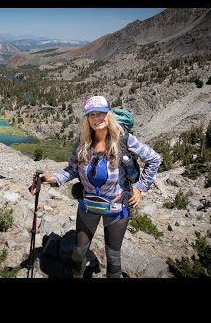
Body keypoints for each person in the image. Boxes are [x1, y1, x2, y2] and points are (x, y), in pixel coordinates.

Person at [40, 96, 161, 278]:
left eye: (102, 114)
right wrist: (52, 179)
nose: (97, 118)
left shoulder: (124, 140)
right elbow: (71, 169)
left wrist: (140, 187)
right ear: (87, 118)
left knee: (113, 257)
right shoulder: (83, 143)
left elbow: (154, 159)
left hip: (117, 207)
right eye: (92, 114)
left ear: (108, 115)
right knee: (79, 252)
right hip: (88, 205)